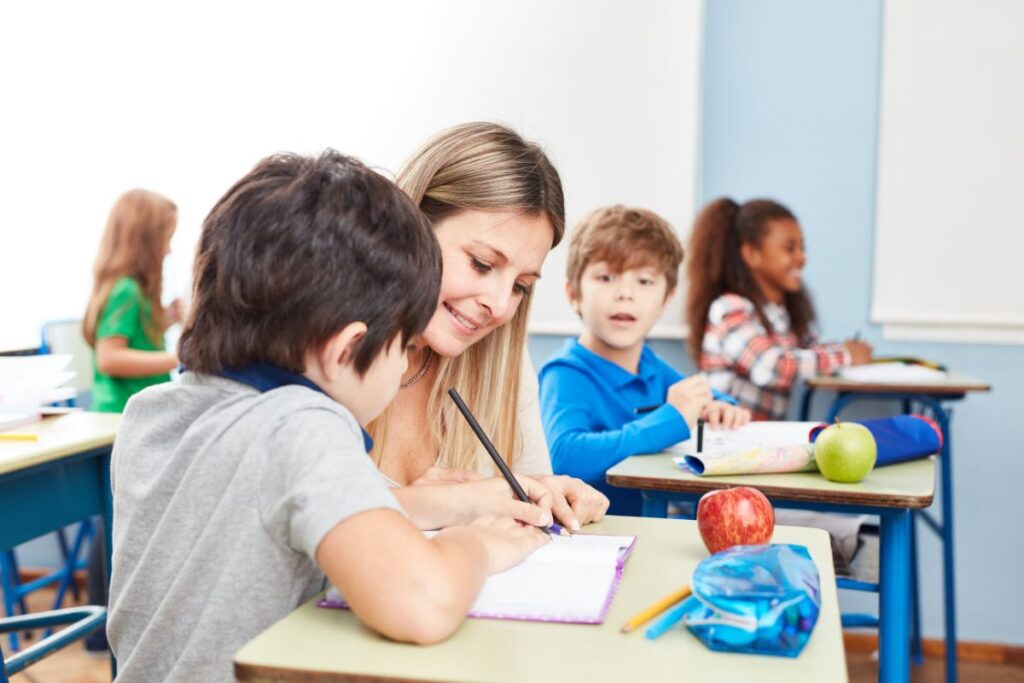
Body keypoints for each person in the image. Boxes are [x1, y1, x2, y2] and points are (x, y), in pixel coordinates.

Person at [107, 151, 549, 682]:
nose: (403, 366)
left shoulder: (151, 412)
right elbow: (423, 602)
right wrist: (478, 545)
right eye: (404, 346)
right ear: (346, 351)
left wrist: (449, 503)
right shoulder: (302, 425)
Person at [370, 122, 610, 532]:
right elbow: (285, 514)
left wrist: (544, 495)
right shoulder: (322, 351)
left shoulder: (501, 363)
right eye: (481, 264)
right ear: (409, 226)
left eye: (520, 286)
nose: (499, 307)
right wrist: (430, 505)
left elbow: (523, 506)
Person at [538, 205, 750, 515]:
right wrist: (672, 419)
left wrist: (720, 406)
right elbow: (564, 456)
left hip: (655, 521)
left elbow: (698, 395)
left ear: (666, 299)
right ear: (574, 295)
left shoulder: (649, 365)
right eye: (606, 277)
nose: (625, 293)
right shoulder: (566, 373)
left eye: (645, 281)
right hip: (599, 534)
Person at [685, 198, 873, 420]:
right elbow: (772, 367)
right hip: (724, 433)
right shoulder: (730, 309)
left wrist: (846, 349)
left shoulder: (779, 312)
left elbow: (808, 347)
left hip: (758, 433)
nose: (801, 258)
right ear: (752, 255)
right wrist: (845, 356)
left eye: (802, 248)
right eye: (789, 248)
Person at [83, 189, 182, 413]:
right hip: (121, 413)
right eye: (166, 240)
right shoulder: (126, 290)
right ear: (144, 241)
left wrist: (164, 321)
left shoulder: (130, 289)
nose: (169, 250)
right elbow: (109, 358)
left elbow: (134, 339)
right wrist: (177, 359)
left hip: (131, 412)